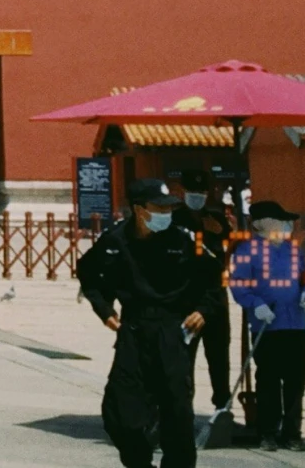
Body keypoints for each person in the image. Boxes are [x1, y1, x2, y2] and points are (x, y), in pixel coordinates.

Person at [78, 178, 214, 468]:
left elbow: (214, 277)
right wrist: (104, 309)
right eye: (159, 208)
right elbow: (88, 273)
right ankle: (139, 462)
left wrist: (203, 309)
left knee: (177, 412)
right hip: (133, 330)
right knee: (117, 413)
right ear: (139, 210)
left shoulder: (183, 240)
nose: (166, 214)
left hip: (172, 331)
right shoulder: (115, 240)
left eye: (169, 208)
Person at [226, 200, 305, 449]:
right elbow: (238, 285)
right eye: (281, 220)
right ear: (262, 224)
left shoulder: (293, 250)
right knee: (269, 380)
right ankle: (267, 431)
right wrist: (255, 304)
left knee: (296, 381)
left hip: (296, 325)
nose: (287, 225)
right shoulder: (246, 251)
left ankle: (292, 432)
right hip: (267, 326)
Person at [172, 170, 235, 420]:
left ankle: (222, 407)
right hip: (187, 299)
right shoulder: (175, 219)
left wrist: (221, 232)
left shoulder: (217, 218)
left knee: (219, 358)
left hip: (215, 299)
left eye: (201, 194)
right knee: (184, 359)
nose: (196, 198)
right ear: (183, 193)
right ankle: (183, 408)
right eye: (192, 193)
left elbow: (234, 246)